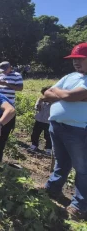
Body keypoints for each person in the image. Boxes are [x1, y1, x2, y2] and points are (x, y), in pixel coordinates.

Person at [41, 42, 87, 220]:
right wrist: (68, 96)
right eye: (74, 59)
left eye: (80, 58)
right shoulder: (70, 76)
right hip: (57, 126)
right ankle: (53, 189)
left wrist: (62, 95)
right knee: (62, 162)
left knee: (82, 168)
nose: (76, 62)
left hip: (78, 129)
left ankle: (80, 205)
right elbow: (46, 93)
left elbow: (67, 95)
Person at [27, 86, 52, 155]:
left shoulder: (54, 102)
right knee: (35, 133)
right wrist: (40, 102)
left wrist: (50, 101)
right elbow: (37, 109)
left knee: (48, 135)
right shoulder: (40, 99)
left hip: (48, 121)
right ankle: (34, 145)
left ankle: (48, 148)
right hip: (39, 120)